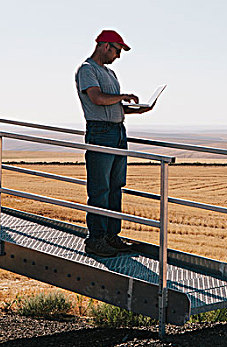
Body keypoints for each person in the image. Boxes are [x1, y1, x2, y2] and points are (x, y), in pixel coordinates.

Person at [75, 30, 152, 257]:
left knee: (116, 186)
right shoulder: (87, 70)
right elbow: (97, 99)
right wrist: (122, 97)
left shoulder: (110, 73)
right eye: (117, 50)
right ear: (105, 45)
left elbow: (114, 106)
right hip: (100, 132)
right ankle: (95, 240)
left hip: (118, 132)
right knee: (100, 188)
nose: (118, 56)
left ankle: (111, 235)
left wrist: (138, 109)